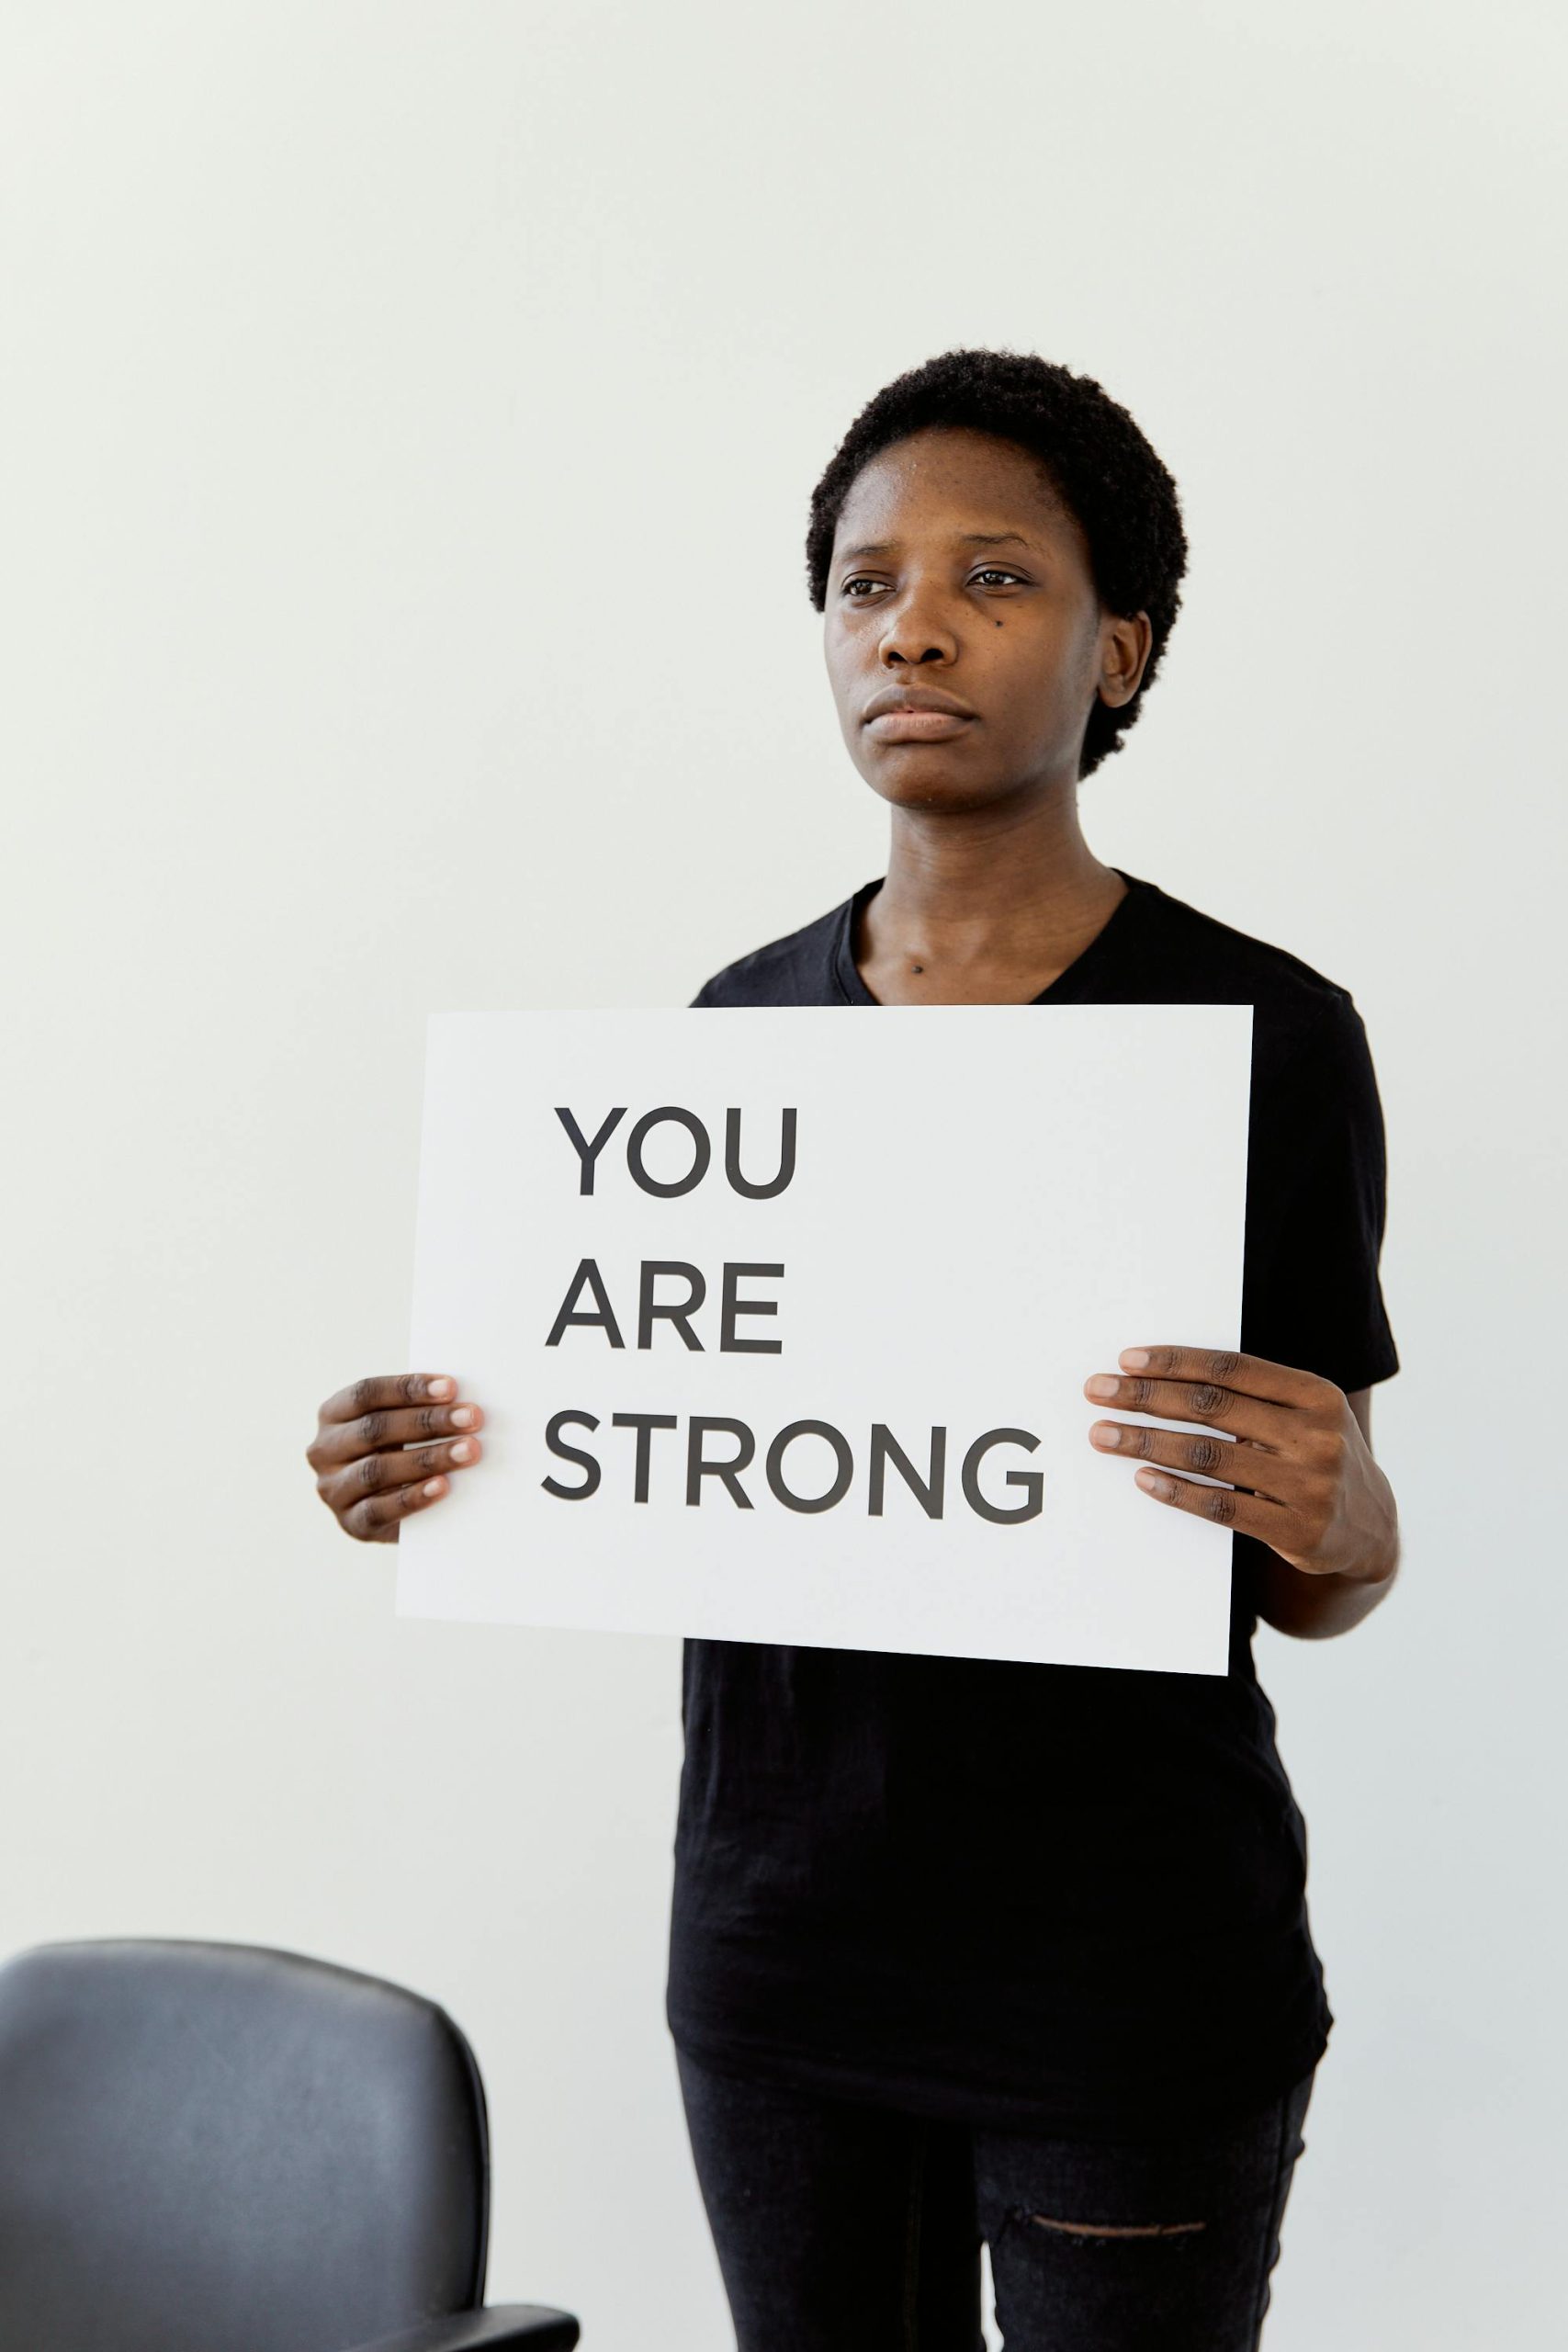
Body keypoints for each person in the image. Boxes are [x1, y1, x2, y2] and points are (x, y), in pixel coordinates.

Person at [306, 349, 1402, 2352]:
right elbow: (665, 1440)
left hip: (1124, 1976)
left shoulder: (1264, 1031)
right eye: (860, 581)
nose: (908, 621)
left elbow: (1304, 1557)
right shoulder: (727, 1033)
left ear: (1120, 646)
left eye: (993, 577)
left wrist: (1352, 1523)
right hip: (779, 1965)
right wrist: (457, 1458)